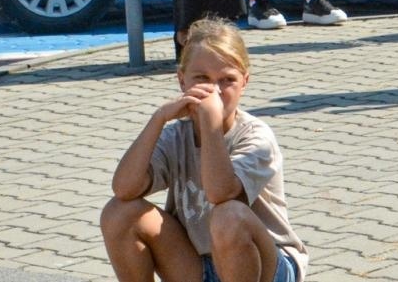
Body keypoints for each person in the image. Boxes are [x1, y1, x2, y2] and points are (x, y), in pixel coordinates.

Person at [101, 17, 308, 282]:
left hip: (265, 266)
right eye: (202, 78)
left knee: (228, 215)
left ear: (244, 81)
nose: (215, 91)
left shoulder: (256, 137)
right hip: (197, 263)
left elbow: (220, 193)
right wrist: (158, 119)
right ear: (182, 81)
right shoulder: (176, 135)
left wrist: (210, 123)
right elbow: (124, 188)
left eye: (227, 80)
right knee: (119, 212)